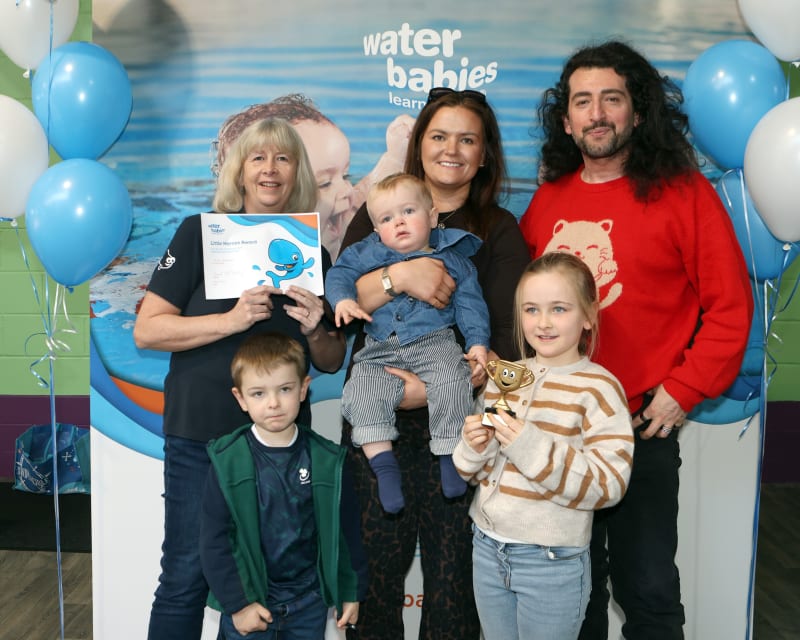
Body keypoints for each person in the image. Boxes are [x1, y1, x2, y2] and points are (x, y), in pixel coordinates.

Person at [518, 40, 753, 639]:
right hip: (557, 431)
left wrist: (682, 391)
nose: (597, 114)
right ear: (566, 120)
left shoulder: (683, 193)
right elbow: (523, 316)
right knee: (574, 595)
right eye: (582, 102)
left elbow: (730, 308)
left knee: (647, 592)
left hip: (639, 429)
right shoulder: (548, 201)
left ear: (638, 111)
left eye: (612, 99)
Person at [134, 117, 346, 640]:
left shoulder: (312, 254)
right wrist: (230, 321)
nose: (270, 169)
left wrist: (316, 327)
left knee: (271, 575)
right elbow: (148, 330)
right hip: (201, 435)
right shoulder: (198, 234)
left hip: (278, 445)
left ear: (297, 172)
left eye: (283, 158)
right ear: (240, 170)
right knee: (186, 573)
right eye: (258, 158)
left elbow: (330, 359)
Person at [339, 87, 531, 639]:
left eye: (467, 139)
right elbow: (342, 304)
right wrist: (400, 276)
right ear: (418, 144)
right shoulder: (376, 212)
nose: (451, 149)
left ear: (485, 154)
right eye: (439, 136)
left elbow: (509, 342)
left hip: (458, 420)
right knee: (374, 582)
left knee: (453, 587)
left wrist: (436, 387)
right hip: (376, 419)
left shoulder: (496, 230)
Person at [453, 251, 634, 640]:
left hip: (552, 561)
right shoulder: (508, 377)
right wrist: (472, 447)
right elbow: (474, 472)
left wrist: (527, 444)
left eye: (559, 309)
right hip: (487, 548)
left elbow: (609, 486)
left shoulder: (600, 390)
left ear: (588, 315)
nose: (543, 322)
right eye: (531, 309)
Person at [326, 173, 490, 514]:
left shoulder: (453, 258)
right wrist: (342, 299)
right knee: (362, 391)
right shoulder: (367, 252)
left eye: (408, 212)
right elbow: (339, 273)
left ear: (431, 216)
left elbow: (471, 305)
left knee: (453, 379)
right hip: (380, 347)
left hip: (434, 343)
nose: (398, 222)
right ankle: (384, 468)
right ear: (376, 230)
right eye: (387, 219)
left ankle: (449, 457)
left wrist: (478, 344)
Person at [199, 332, 367, 639]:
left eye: (285, 389)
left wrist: (349, 590)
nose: (273, 403)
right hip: (251, 604)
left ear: (303, 389)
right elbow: (215, 541)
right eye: (258, 393)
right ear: (241, 398)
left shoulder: (327, 460)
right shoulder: (228, 461)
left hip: (309, 606)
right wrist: (239, 604)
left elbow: (346, 533)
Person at [214, 94, 415, 261]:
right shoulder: (219, 237)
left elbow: (367, 193)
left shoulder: (335, 226)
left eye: (345, 176)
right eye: (324, 183)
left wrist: (395, 156)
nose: (346, 190)